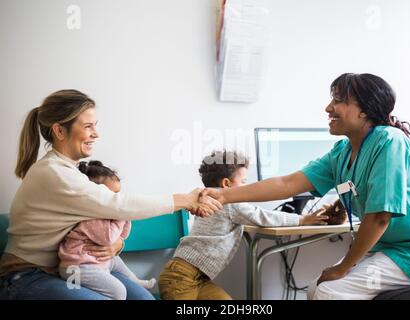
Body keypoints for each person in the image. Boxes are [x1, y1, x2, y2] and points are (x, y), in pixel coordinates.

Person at [200, 73, 410, 300]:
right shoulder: (341, 152)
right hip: (389, 248)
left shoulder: (389, 140)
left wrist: (343, 267)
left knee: (331, 291)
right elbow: (287, 183)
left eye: (339, 101)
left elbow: (381, 217)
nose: (328, 108)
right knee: (313, 288)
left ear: (363, 110)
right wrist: (223, 195)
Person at [0, 89, 221, 300]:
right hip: (26, 276)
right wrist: (187, 200)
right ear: (59, 131)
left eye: (95, 125)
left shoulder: (71, 170)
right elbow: (117, 205)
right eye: (88, 126)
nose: (96, 133)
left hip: (64, 269)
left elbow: (100, 218)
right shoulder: (54, 174)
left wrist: (117, 244)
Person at [158, 150, 328, 300]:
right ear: (226, 184)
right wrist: (302, 220)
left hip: (199, 279)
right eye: (244, 182)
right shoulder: (230, 203)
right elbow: (262, 216)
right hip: (181, 277)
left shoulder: (211, 201)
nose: (247, 187)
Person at [59, 160, 156, 300]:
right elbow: (109, 238)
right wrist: (121, 216)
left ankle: (135, 279)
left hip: (96, 261)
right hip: (78, 267)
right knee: (118, 292)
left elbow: (121, 236)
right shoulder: (91, 217)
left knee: (116, 261)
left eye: (119, 194)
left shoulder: (108, 214)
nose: (118, 199)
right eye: (112, 195)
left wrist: (126, 216)